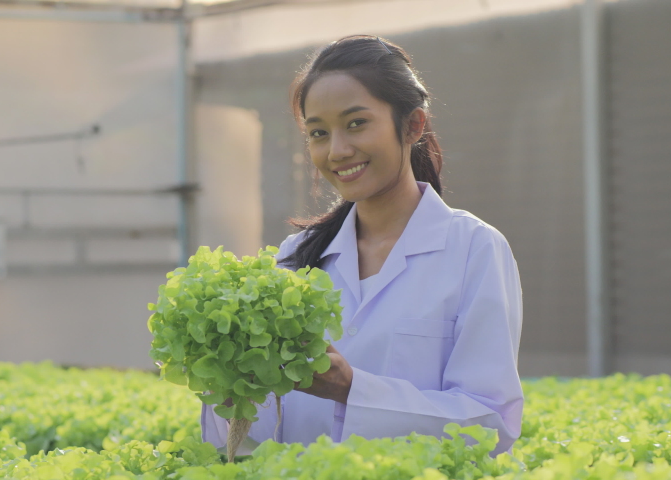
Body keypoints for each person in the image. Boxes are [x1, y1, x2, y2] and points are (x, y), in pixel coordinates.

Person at [201, 35, 523, 456]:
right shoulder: (293, 259)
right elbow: (249, 437)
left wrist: (352, 389)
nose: (337, 150)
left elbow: (490, 425)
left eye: (356, 123)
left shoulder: (474, 250)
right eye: (318, 132)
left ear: (413, 125)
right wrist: (229, 390)